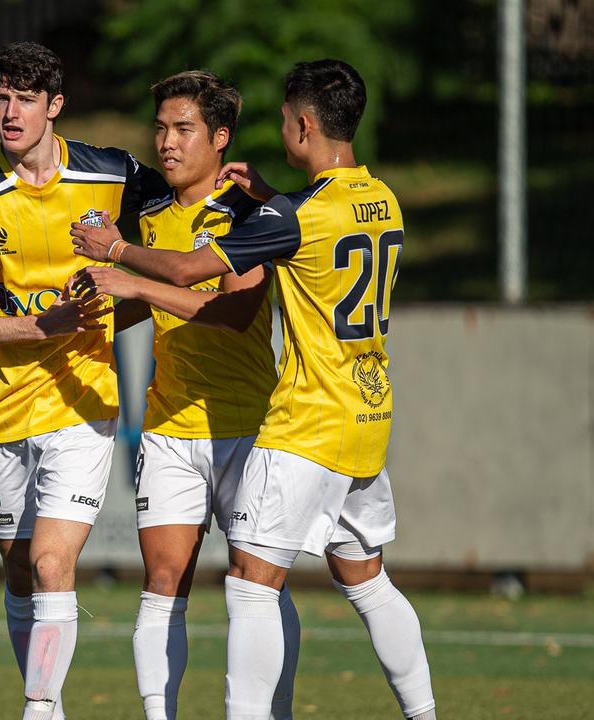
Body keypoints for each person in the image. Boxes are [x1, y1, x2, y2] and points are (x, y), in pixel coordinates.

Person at [70, 59, 437, 720]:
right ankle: (425, 713)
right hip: (367, 415)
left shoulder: (286, 216)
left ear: (301, 124)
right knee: (365, 579)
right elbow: (300, 231)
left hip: (302, 424)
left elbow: (196, 276)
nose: (167, 141)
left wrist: (117, 256)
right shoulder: (380, 198)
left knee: (250, 588)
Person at [0, 41, 167, 720]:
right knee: (21, 569)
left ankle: (39, 707)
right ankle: (47, 704)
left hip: (83, 404)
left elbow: (183, 211)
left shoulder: (114, 175)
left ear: (55, 105)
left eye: (25, 98)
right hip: (0, 410)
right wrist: (42, 328)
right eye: (1, 97)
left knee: (54, 565)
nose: (10, 111)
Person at [72, 70, 300, 720]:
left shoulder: (253, 213)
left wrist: (135, 283)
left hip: (251, 427)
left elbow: (231, 314)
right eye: (161, 128)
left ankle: (270, 713)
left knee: (256, 588)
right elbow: (145, 309)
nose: (166, 143)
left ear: (220, 137)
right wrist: (80, 315)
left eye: (183, 129)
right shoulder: (146, 215)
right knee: (163, 582)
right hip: (170, 427)